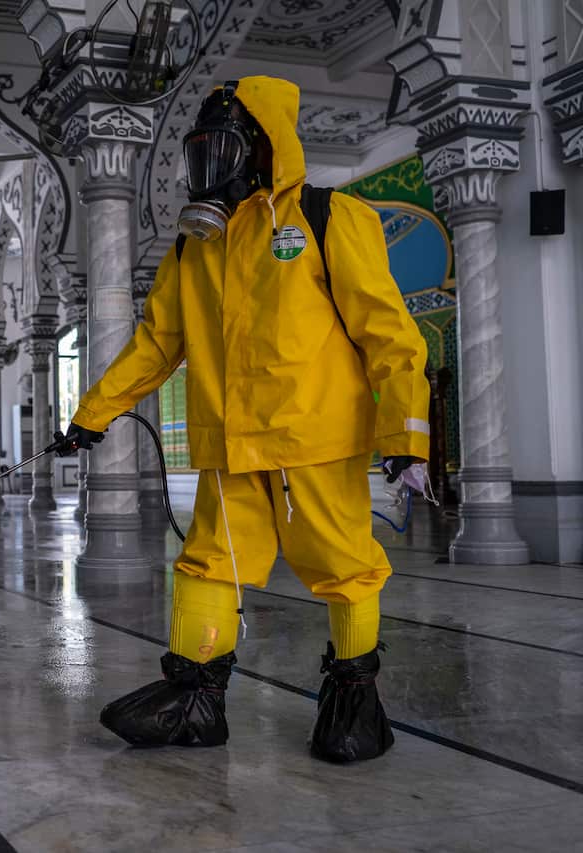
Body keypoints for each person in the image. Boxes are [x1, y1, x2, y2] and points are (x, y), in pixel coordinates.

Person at [60, 76, 429, 762]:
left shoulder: (327, 218)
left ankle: (354, 703)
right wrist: (92, 413)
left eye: (221, 147)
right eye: (198, 150)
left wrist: (405, 437)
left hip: (313, 436)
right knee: (205, 565)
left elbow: (392, 337)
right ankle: (195, 700)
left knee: (345, 567)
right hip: (230, 444)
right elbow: (155, 345)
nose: (208, 165)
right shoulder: (194, 248)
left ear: (263, 148)